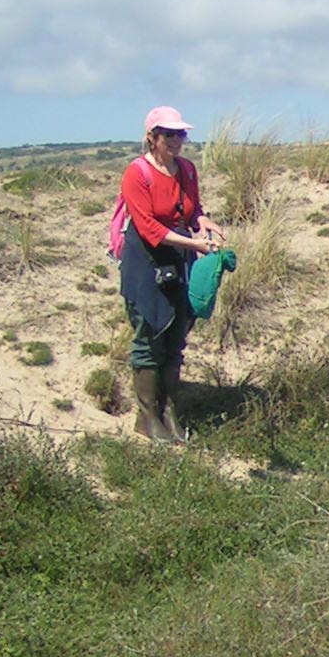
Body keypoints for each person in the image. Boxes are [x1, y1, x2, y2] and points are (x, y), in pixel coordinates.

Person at [117, 106, 224, 443]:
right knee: (149, 336)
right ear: (153, 137)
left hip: (178, 260)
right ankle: (147, 416)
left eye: (181, 134)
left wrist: (203, 224)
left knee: (176, 337)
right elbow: (148, 227)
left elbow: (193, 210)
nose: (177, 141)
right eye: (169, 135)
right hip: (146, 262)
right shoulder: (136, 174)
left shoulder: (187, 171)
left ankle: (168, 411)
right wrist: (193, 244)